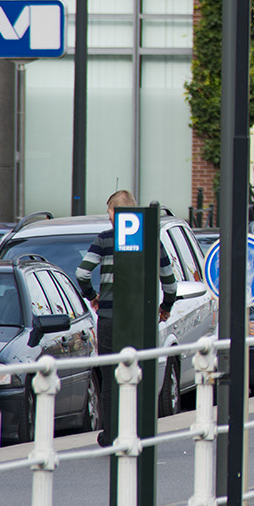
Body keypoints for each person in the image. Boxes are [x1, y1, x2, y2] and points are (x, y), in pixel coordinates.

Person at [76, 190, 179, 444]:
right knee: (140, 374)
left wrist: (93, 296)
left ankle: (111, 433)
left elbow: (82, 273)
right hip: (141, 322)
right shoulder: (151, 239)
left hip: (110, 319)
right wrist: (165, 308)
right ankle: (141, 431)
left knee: (111, 378)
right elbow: (170, 283)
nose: (109, 218)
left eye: (109, 212)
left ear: (114, 212)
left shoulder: (104, 240)